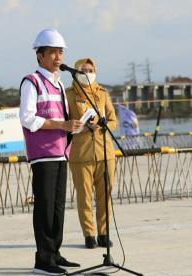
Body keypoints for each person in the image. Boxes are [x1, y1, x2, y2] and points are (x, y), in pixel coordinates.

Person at [19, 29, 83, 275]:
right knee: (44, 207)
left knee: (57, 206)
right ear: (40, 55)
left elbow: (61, 119)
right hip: (42, 154)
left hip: (60, 152)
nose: (59, 57)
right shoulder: (31, 82)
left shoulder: (58, 83)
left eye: (61, 52)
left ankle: (55, 252)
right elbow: (28, 119)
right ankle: (43, 260)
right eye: (54, 52)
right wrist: (62, 125)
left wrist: (75, 126)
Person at [66, 58, 117, 249]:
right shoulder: (69, 95)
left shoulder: (102, 93)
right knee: (85, 196)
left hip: (105, 152)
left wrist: (104, 125)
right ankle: (89, 235)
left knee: (105, 195)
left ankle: (104, 233)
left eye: (91, 70)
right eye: (83, 70)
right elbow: (65, 122)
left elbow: (113, 120)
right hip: (81, 153)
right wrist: (80, 125)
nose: (88, 73)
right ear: (76, 72)